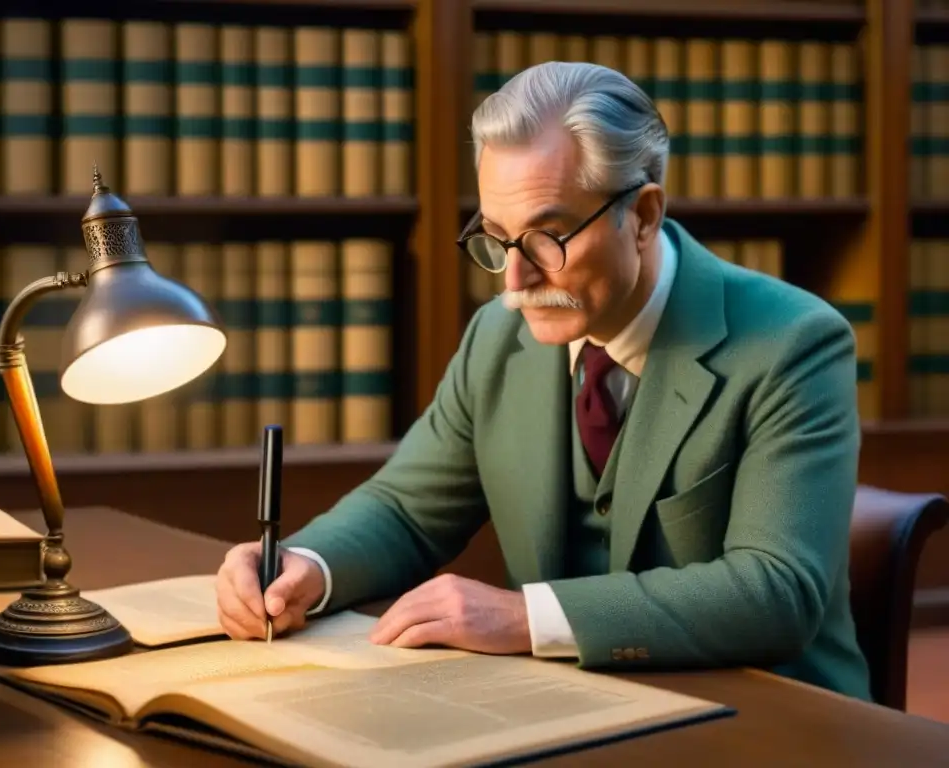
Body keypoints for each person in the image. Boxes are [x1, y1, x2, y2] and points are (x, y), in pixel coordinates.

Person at [215, 61, 873, 700]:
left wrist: (527, 617)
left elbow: (776, 591)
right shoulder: (497, 338)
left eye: (547, 238)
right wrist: (308, 567)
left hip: (768, 720)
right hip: (561, 710)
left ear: (642, 216)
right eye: (496, 238)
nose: (514, 282)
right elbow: (406, 510)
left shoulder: (793, 343)